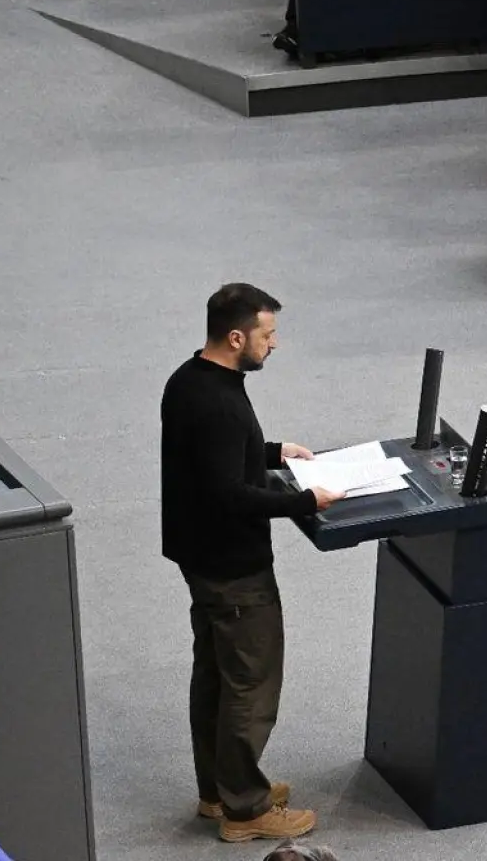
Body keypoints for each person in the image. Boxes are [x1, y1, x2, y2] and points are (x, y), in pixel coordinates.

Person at [161, 283, 343, 843]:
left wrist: (270, 452)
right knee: (250, 685)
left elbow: (210, 459)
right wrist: (303, 501)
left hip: (200, 558)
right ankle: (247, 811)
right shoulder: (219, 401)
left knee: (215, 676)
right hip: (233, 567)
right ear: (236, 336)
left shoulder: (191, 379)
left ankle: (217, 791)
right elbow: (230, 495)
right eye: (267, 335)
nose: (274, 344)